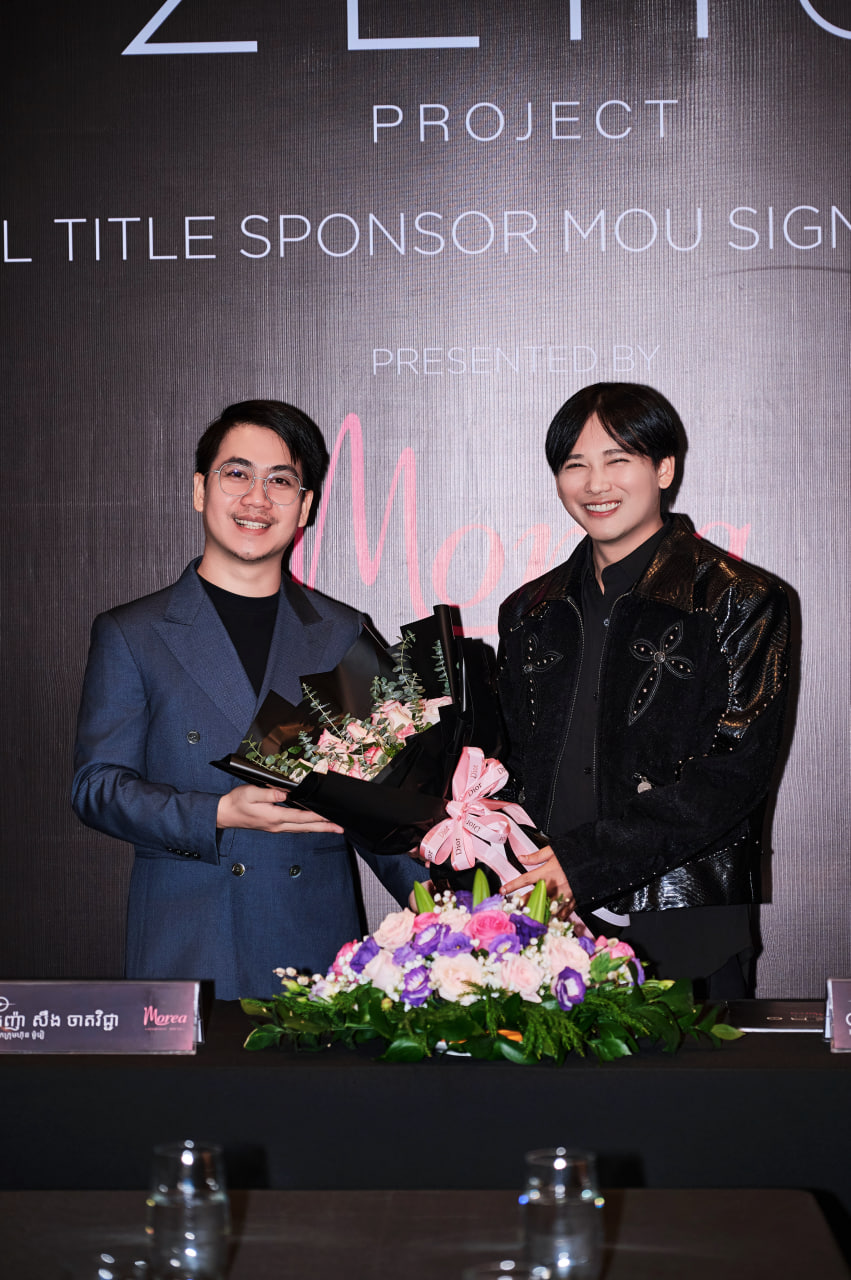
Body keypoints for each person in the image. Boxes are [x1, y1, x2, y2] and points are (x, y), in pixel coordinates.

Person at [72, 399, 422, 1000]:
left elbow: (378, 804)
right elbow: (97, 787)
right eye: (237, 474)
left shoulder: (343, 633)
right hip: (190, 937)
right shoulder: (132, 633)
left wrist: (459, 910)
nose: (257, 498)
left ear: (304, 507)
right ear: (199, 490)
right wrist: (217, 813)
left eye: (280, 481)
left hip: (313, 942)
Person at [497, 383, 791, 998]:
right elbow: (513, 762)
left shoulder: (741, 599)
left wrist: (587, 862)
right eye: (575, 465)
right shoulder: (529, 611)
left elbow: (733, 775)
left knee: (694, 1065)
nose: (595, 484)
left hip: (684, 918)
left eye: (617, 460)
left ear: (663, 469)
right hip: (547, 920)